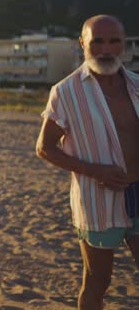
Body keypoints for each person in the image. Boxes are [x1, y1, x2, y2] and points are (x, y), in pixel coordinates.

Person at [36, 15, 139, 310]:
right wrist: (95, 171)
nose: (106, 49)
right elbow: (44, 148)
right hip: (98, 200)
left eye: (114, 41)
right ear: (83, 44)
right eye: (97, 41)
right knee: (97, 282)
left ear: (124, 45)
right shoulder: (65, 92)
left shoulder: (137, 86)